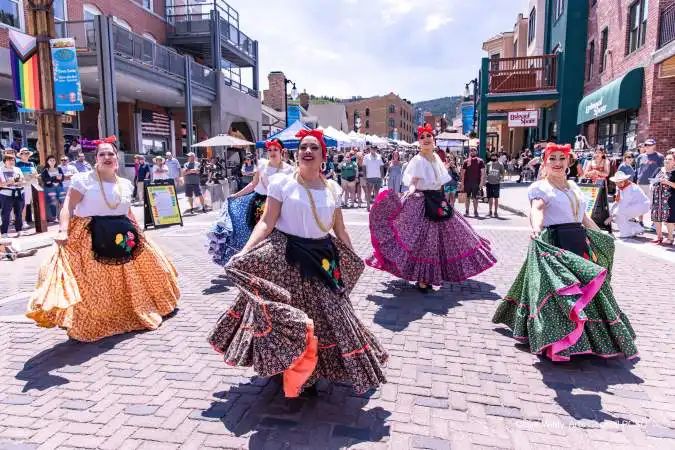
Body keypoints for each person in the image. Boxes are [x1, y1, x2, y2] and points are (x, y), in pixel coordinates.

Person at [208, 129, 387, 398]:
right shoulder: (281, 183)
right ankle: (287, 367)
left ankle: (312, 371)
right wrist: (245, 250)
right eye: (303, 147)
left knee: (331, 317)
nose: (307, 151)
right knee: (287, 314)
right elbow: (267, 222)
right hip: (286, 258)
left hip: (323, 259)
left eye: (314, 148)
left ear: (323, 156)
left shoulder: (332, 189)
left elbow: (340, 230)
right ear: (296, 153)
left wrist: (352, 256)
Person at [492, 143, 638, 361]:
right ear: (545, 163)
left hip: (578, 242)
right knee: (562, 292)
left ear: (569, 162)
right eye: (553, 159)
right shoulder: (541, 188)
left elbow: (584, 217)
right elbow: (537, 209)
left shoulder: (574, 187)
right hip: (556, 245)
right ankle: (559, 342)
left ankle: (589, 340)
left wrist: (601, 234)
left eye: (562, 158)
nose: (558, 163)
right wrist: (536, 228)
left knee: (585, 290)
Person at [26, 137, 180, 342]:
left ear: (116, 158)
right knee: (94, 282)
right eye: (102, 154)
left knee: (151, 269)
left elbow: (127, 212)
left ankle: (133, 311)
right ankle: (95, 320)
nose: (107, 157)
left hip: (122, 235)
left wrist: (140, 232)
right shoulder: (83, 180)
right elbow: (68, 207)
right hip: (89, 235)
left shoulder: (125, 184)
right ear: (96, 158)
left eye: (110, 154)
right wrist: (63, 230)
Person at [366, 124, 496, 292]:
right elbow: (413, 181)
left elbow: (440, 182)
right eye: (422, 137)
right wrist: (410, 192)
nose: (426, 139)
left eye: (429, 136)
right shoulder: (418, 160)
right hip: (422, 201)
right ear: (419, 142)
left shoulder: (435, 158)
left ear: (433, 140)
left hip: (438, 200)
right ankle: (423, 278)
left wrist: (447, 198)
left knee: (457, 233)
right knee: (422, 240)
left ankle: (434, 273)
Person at [208, 139, 294, 266]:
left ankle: (276, 262)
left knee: (278, 235)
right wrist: (236, 195)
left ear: (282, 151)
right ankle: (257, 262)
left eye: (275, 149)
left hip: (279, 205)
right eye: (269, 150)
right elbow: (253, 184)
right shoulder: (262, 165)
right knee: (258, 234)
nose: (272, 152)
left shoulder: (290, 170)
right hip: (259, 204)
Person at [606, 171, 649, 238]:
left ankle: (628, 232)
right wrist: (611, 212)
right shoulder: (621, 187)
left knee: (619, 215)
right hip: (635, 205)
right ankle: (637, 228)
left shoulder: (628, 188)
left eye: (621, 181)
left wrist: (611, 216)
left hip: (642, 205)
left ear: (625, 180)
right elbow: (618, 201)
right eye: (617, 182)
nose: (619, 183)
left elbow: (623, 205)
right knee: (618, 214)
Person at [636, 139, 664, 229]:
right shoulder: (640, 157)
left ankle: (654, 223)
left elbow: (662, 170)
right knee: (640, 203)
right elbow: (637, 170)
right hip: (641, 183)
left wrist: (658, 180)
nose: (647, 146)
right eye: (646, 145)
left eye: (650, 145)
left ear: (654, 146)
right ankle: (640, 221)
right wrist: (637, 181)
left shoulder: (659, 157)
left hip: (653, 183)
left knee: (653, 204)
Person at [650, 153, 675, 244]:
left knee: (669, 219)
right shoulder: (658, 169)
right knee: (656, 218)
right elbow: (652, 180)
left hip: (669, 200)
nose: (666, 161)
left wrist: (666, 182)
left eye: (669, 159)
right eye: (666, 159)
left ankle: (670, 238)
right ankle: (659, 236)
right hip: (657, 197)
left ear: (674, 162)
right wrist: (652, 185)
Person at [0, 154, 25, 238]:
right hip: (6, 194)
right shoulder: (1, 170)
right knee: (5, 214)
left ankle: (19, 230)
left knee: (19, 213)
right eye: (9, 160)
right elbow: (1, 184)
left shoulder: (17, 169)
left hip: (19, 192)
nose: (11, 162)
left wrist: (14, 182)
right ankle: (4, 232)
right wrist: (13, 181)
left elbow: (22, 180)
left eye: (13, 160)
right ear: (4, 161)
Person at [460, 147, 486, 217]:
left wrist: (481, 182)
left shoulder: (480, 161)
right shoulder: (465, 161)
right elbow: (463, 173)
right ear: (469, 152)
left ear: (476, 152)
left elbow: (483, 172)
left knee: (475, 198)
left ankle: (475, 211)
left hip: (476, 183)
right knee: (467, 198)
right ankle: (467, 211)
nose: (472, 152)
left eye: (474, 150)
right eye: (471, 151)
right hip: (467, 183)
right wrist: (462, 184)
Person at [16, 148, 38, 225]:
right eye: (24, 153)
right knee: (24, 204)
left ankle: (37, 220)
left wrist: (35, 175)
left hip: (34, 186)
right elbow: (16, 176)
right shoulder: (17, 164)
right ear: (20, 155)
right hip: (24, 186)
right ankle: (23, 221)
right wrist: (25, 177)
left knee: (35, 203)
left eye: (27, 153)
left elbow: (36, 174)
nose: (26, 154)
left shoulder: (32, 163)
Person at [40, 155, 65, 222]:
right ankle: (54, 217)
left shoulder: (59, 168)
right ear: (47, 162)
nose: (52, 162)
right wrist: (55, 178)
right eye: (50, 160)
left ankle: (62, 216)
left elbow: (62, 178)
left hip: (59, 187)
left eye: (53, 160)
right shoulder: (45, 170)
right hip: (50, 188)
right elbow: (45, 180)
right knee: (52, 203)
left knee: (62, 202)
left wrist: (55, 179)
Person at [363, 146, 384, 211]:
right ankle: (368, 205)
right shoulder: (366, 156)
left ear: (376, 149)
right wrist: (364, 175)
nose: (373, 150)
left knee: (376, 192)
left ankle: (376, 206)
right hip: (369, 177)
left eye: (375, 149)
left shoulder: (379, 156)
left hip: (378, 176)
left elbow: (381, 166)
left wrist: (382, 175)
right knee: (368, 192)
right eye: (372, 149)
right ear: (370, 149)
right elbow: (364, 166)